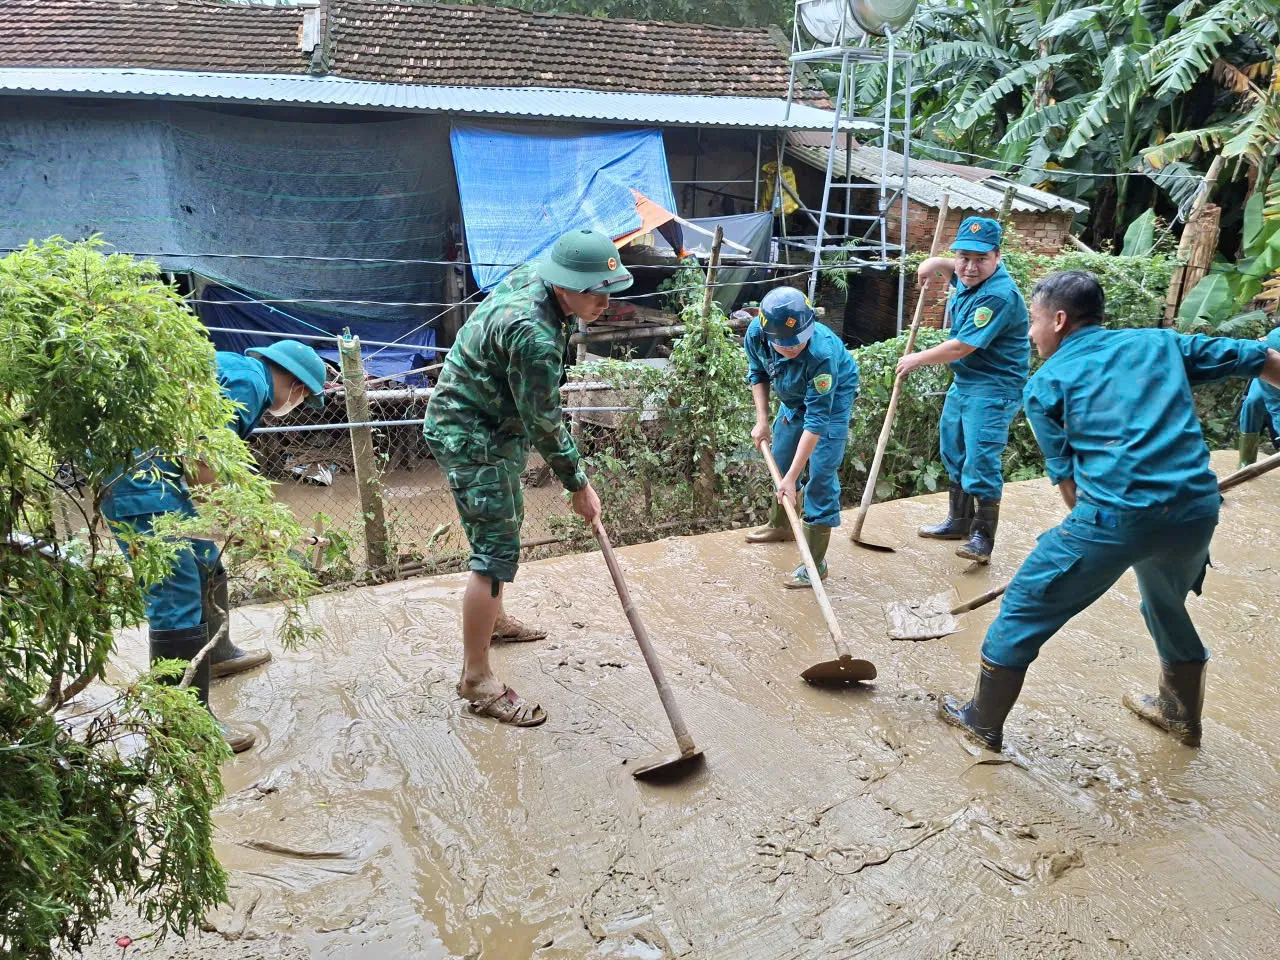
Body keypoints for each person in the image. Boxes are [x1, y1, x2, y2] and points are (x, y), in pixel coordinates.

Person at [940, 271, 1280, 751]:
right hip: (1195, 513)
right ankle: (1181, 716)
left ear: (1058, 320)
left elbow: (1069, 485)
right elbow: (1258, 357)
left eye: (1033, 322)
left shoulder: (1047, 384)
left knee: (1022, 606)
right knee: (1164, 602)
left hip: (1116, 517)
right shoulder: (1161, 344)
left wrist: (1092, 543)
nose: (1031, 333)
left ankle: (981, 719)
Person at [423, 229, 629, 728]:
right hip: (472, 435)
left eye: (608, 288)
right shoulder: (534, 336)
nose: (603, 302)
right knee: (493, 553)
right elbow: (545, 421)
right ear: (562, 285)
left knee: (507, 526)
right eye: (591, 290)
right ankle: (476, 678)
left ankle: (493, 622)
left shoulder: (540, 278)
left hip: (496, 423)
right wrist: (579, 484)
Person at [102, 340, 328, 754]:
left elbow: (220, 466)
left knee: (207, 559)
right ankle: (185, 724)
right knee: (177, 586)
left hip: (158, 475)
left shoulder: (239, 373)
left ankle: (218, 653)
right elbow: (204, 464)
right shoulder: (246, 382)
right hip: (143, 484)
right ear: (296, 387)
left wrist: (252, 522)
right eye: (302, 398)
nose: (296, 404)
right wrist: (240, 523)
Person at [896, 216, 1030, 563]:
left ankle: (982, 539)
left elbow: (961, 347)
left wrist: (916, 358)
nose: (969, 267)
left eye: (980, 259)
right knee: (953, 449)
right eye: (963, 257)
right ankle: (958, 521)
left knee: (981, 457)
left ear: (997, 258)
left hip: (993, 386)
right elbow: (955, 270)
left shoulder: (998, 297)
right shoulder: (971, 277)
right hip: (966, 381)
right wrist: (935, 263)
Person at [744, 287, 859, 588]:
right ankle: (781, 525)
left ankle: (815, 564)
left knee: (820, 473)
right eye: (784, 344)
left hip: (830, 403)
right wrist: (762, 420)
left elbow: (818, 419)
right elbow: (758, 373)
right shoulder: (757, 333)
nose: (794, 348)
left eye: (798, 341)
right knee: (779, 460)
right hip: (793, 397)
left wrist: (794, 478)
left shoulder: (821, 353)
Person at [1237, 325, 1280, 467]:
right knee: (1252, 403)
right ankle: (1246, 460)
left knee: (1273, 405)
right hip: (1271, 359)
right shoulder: (1275, 337)